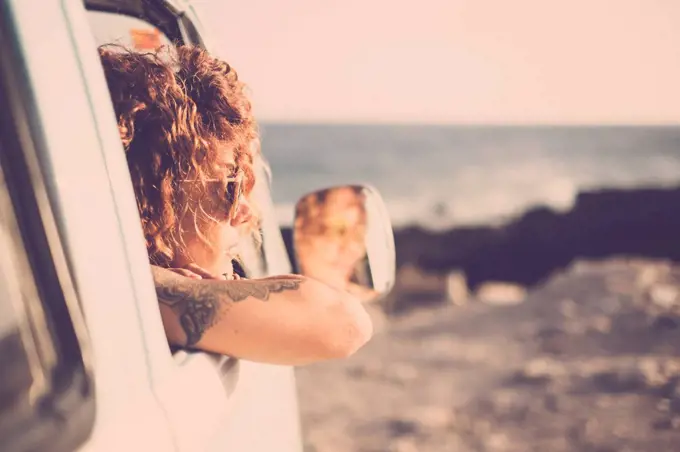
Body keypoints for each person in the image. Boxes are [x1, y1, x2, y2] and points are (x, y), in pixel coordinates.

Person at [99, 45, 372, 365]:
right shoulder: (121, 298)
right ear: (149, 202)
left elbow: (344, 320)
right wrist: (158, 283)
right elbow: (346, 322)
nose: (248, 213)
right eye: (230, 190)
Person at [294, 186, 379, 302]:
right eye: (336, 231)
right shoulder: (277, 309)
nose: (354, 249)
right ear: (299, 232)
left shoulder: (367, 305)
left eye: (358, 236)